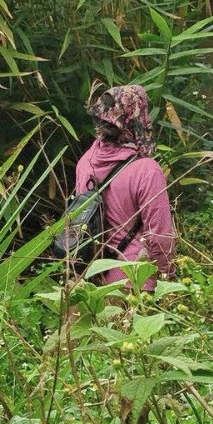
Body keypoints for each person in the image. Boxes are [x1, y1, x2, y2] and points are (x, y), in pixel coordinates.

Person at [73, 84, 177, 289]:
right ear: (138, 118)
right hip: (132, 282)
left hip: (88, 280)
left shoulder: (86, 162)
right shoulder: (146, 170)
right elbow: (160, 238)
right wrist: (168, 277)